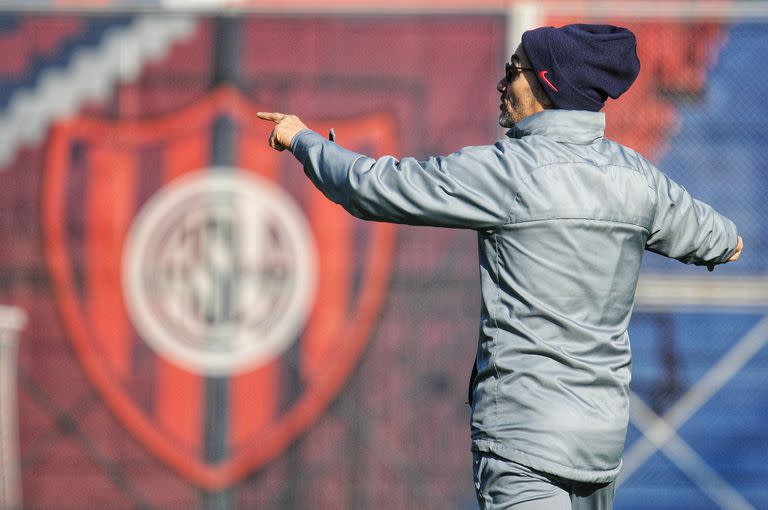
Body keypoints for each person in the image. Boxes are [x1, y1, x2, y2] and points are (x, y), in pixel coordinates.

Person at [257, 23, 743, 510]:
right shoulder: (638, 178)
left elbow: (372, 187)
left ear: (548, 84)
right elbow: (722, 240)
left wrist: (303, 140)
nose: (502, 83)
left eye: (514, 71)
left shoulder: (508, 171)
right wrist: (721, 242)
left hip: (523, 439)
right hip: (600, 443)